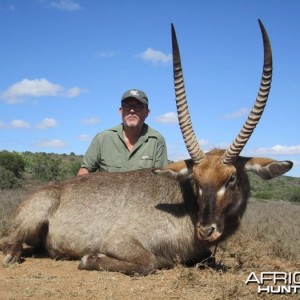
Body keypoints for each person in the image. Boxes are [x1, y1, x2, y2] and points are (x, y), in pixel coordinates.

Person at [77, 89, 168, 175]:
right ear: (121, 111)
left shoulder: (157, 140)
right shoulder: (103, 138)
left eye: (138, 107)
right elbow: (84, 172)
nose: (132, 111)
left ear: (147, 112)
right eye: (127, 106)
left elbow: (161, 179)